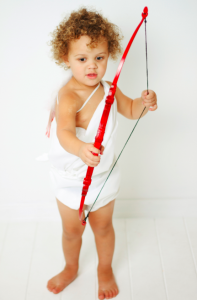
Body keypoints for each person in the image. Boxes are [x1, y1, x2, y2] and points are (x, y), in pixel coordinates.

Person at [44, 7, 157, 300]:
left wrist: (145, 103)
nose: (91, 66)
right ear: (65, 58)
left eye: (100, 58)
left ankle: (104, 269)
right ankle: (70, 268)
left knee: (104, 226)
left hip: (102, 175)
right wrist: (81, 149)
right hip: (71, 178)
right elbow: (64, 133)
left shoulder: (109, 89)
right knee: (72, 231)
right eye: (82, 59)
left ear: (109, 55)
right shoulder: (68, 96)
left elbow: (131, 109)